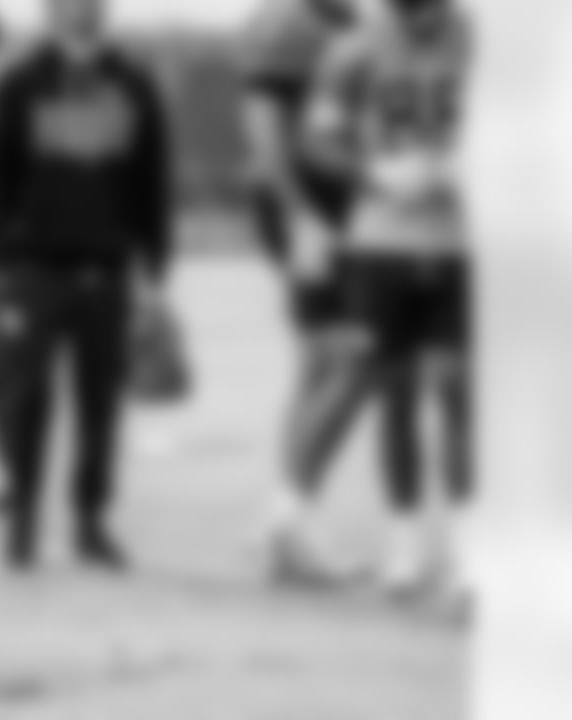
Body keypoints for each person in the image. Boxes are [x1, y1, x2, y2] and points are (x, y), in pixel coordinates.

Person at [0, 0, 173, 571]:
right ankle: (22, 521)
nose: (79, 15)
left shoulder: (135, 85)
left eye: (89, 6)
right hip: (33, 267)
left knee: (99, 403)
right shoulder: (19, 84)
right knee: (26, 398)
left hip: (105, 267)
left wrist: (155, 268)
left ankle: (91, 519)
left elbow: (153, 180)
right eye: (66, 6)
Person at [307, 0, 474, 601]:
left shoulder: (477, 42)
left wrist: (472, 165)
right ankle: (403, 539)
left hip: (462, 237)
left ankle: (469, 547)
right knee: (394, 390)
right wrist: (375, 174)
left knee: (458, 388)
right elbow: (321, 142)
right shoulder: (353, 49)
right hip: (382, 238)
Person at [238, 0, 368, 581]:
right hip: (311, 213)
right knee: (355, 355)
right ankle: (289, 513)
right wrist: (299, 216)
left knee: (319, 362)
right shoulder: (291, 24)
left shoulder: (343, 24)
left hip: (341, 213)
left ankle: (289, 523)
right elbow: (265, 133)